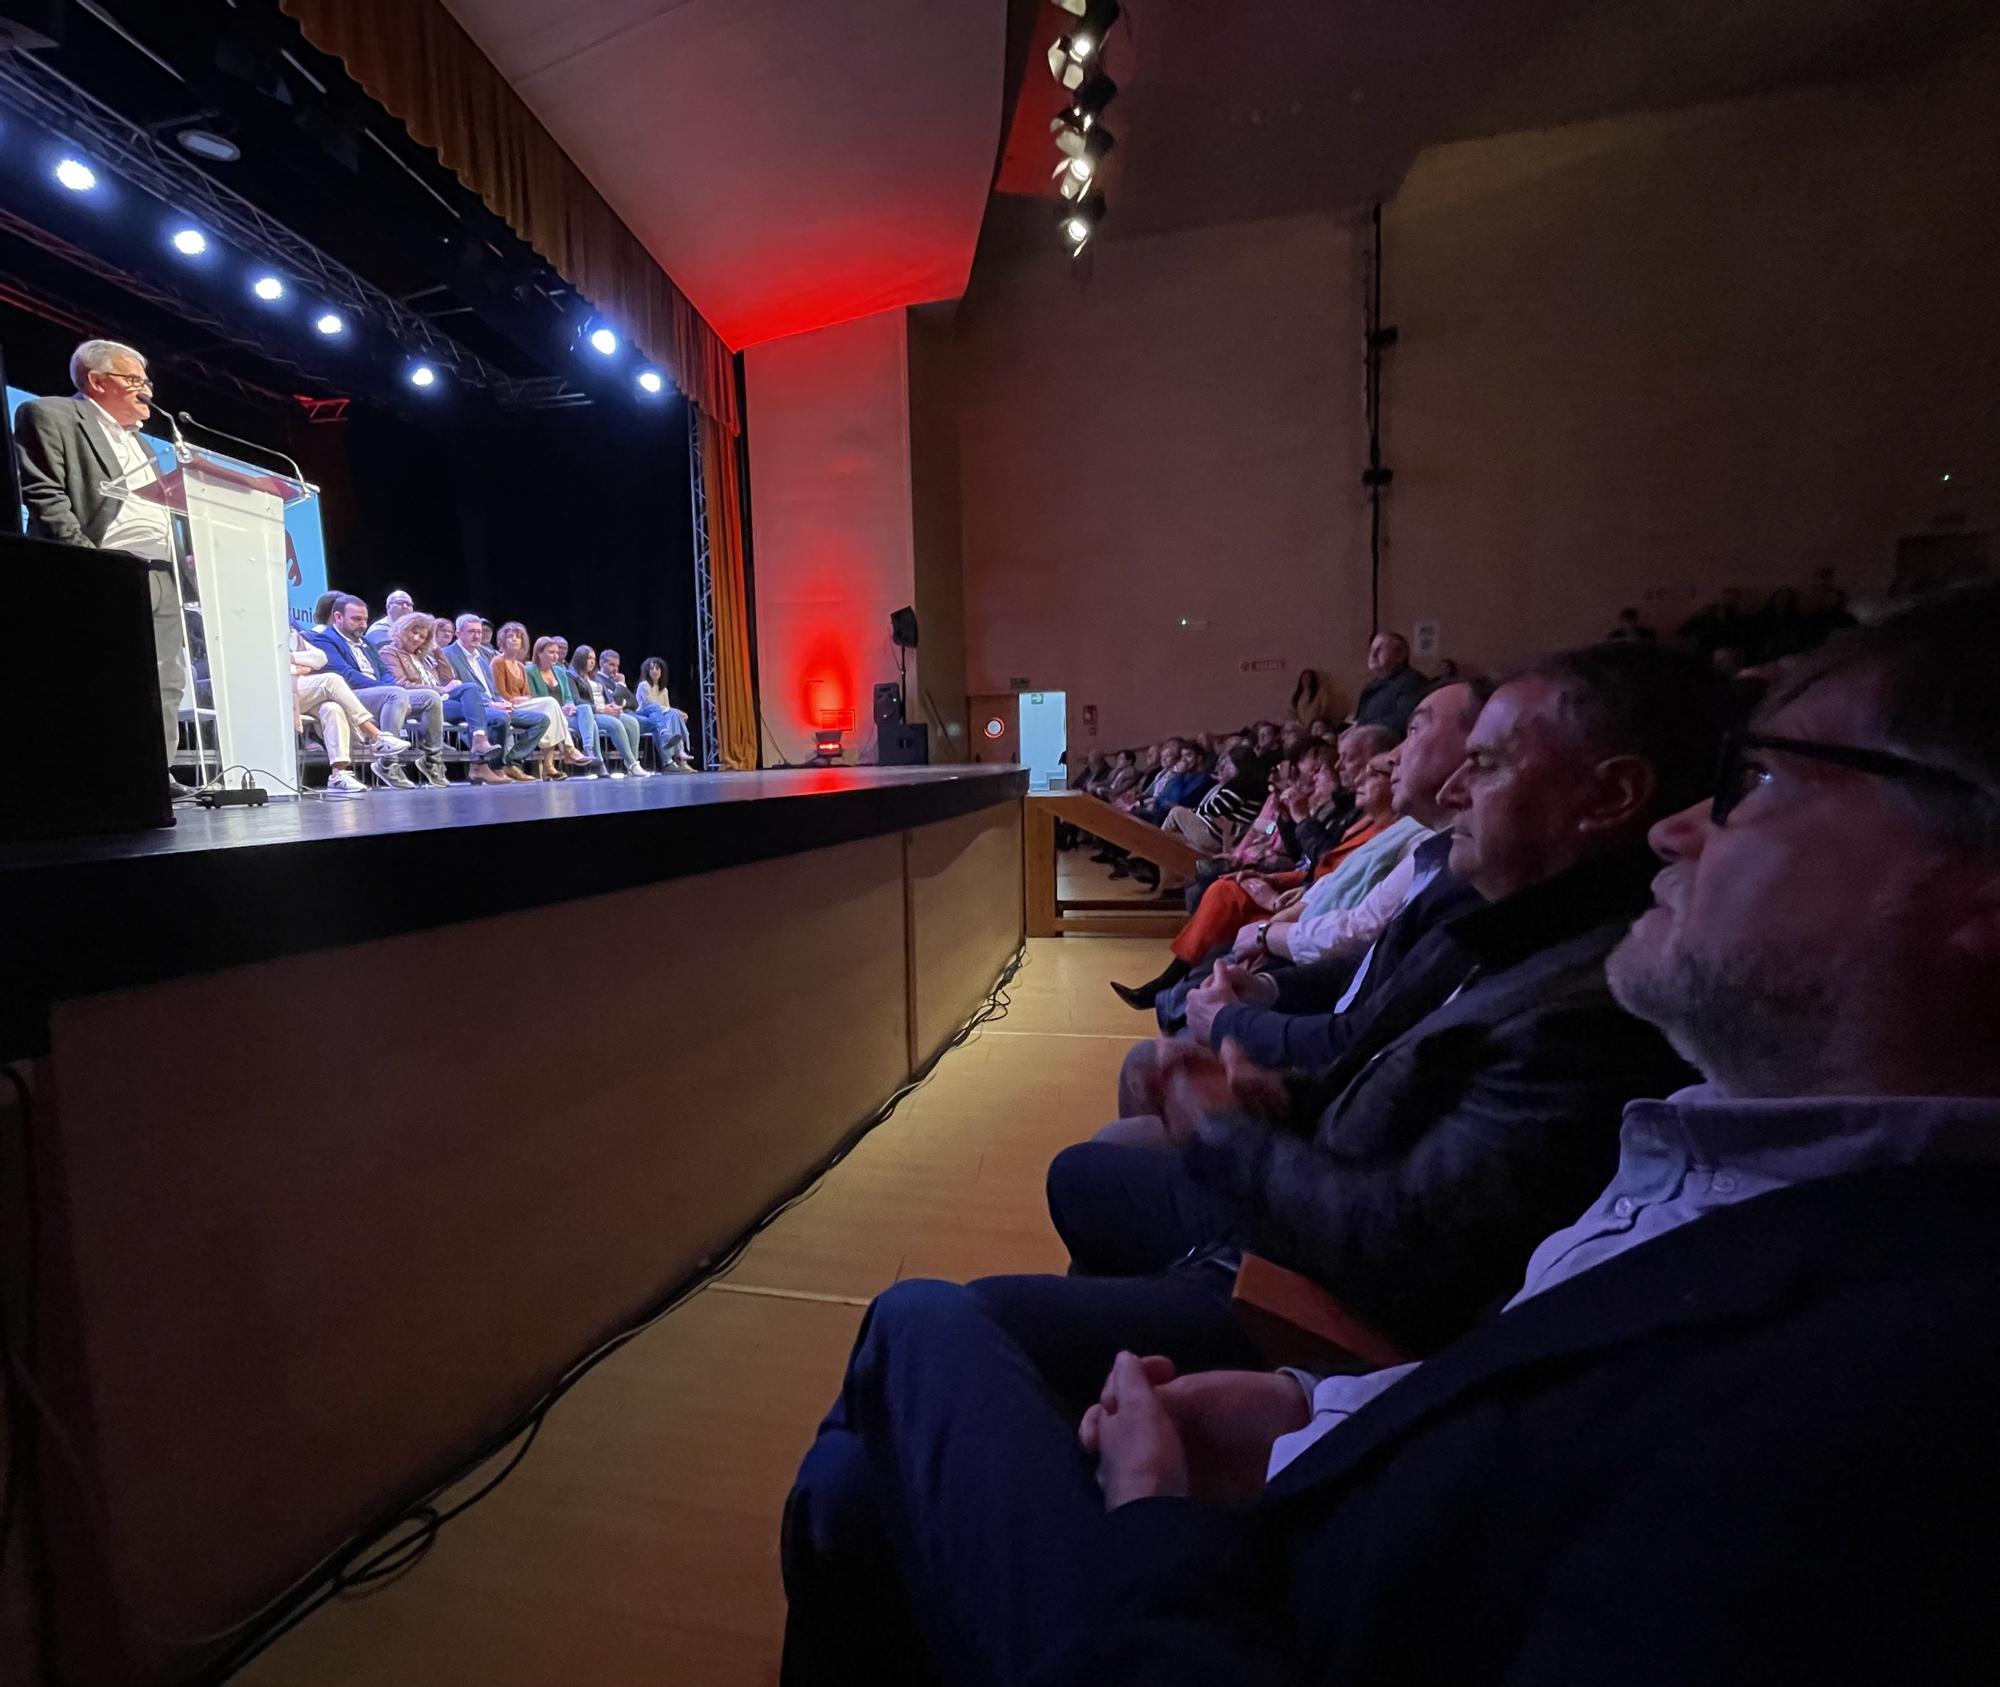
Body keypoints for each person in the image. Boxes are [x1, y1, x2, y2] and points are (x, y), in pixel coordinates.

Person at [781, 585, 2000, 1687]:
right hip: (1324, 1410)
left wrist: (1162, 1526)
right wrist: (1307, 1410)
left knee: (913, 1325)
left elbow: (1423, 1274)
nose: (1684, 835)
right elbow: (1515, 1367)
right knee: (856, 1473)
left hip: (1249, 1567)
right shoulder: (1732, 1150)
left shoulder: (1871, 1382)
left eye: (1761, 788)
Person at [15, 339, 191, 797]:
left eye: (147, 381)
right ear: (97, 381)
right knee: (103, 682)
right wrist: (84, 562)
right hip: (102, 569)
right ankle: (101, 779)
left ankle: (157, 772)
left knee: (165, 682)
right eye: (135, 380)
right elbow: (45, 495)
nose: (147, 391)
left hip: (159, 572)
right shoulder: (48, 414)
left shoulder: (146, 446)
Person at [305, 594, 432, 789]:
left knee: (430, 697)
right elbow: (346, 675)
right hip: (352, 693)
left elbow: (384, 672)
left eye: (365, 619)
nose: (363, 624)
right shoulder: (325, 640)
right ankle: (387, 759)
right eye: (356, 619)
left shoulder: (366, 643)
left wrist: (391, 687)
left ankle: (434, 762)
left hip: (377, 693)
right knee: (394, 694)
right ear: (338, 617)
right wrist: (389, 689)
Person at [380, 613, 513, 786]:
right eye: (412, 632)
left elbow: (447, 677)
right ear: (400, 630)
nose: (416, 638)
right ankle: (479, 755)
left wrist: (435, 650)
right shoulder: (389, 652)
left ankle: (479, 757)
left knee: (494, 714)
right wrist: (441, 689)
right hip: (421, 704)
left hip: (442, 701)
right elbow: (401, 685)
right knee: (471, 693)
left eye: (422, 636)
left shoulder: (422, 655)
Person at [290, 630, 408, 796]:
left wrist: (291, 659)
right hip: (285, 691)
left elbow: (320, 658)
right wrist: (296, 663)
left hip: (303, 690)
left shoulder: (292, 634)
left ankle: (338, 775)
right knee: (332, 680)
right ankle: (376, 736)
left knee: (333, 708)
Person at [448, 615, 563, 781]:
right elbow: (457, 689)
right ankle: (497, 767)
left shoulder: (480, 657)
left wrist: (500, 701)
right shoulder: (449, 655)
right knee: (501, 718)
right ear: (458, 633)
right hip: (469, 707)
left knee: (542, 720)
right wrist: (492, 704)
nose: (477, 636)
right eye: (472, 631)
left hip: (493, 704)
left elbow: (492, 689)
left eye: (479, 632)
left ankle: (512, 760)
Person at [490, 622, 587, 781]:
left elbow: (527, 694)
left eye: (518, 637)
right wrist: (516, 699)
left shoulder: (521, 666)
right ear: (502, 640)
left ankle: (549, 765)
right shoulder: (498, 662)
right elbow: (499, 693)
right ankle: (568, 749)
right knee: (550, 702)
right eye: (510, 637)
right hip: (507, 705)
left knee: (549, 715)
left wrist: (523, 698)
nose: (515, 640)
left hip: (522, 704)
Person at [526, 636, 610, 776]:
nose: (556, 656)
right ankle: (593, 760)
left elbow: (569, 697)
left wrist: (570, 706)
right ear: (540, 653)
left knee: (585, 708)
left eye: (556, 652)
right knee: (592, 725)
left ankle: (588, 750)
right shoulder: (531, 671)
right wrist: (560, 708)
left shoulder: (559, 671)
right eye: (551, 652)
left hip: (566, 715)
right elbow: (535, 699)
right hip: (546, 715)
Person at [570, 645, 652, 777]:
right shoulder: (571, 676)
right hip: (592, 713)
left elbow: (611, 698)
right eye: (589, 658)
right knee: (615, 724)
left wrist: (614, 706)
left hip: (607, 710)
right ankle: (632, 763)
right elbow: (576, 701)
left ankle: (632, 763)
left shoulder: (596, 677)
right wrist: (603, 709)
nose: (592, 661)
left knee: (632, 722)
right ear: (580, 658)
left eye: (593, 658)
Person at [619, 653, 696, 772]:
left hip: (659, 718)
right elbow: (650, 705)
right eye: (651, 668)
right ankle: (678, 752)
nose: (655, 671)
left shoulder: (664, 690)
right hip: (643, 714)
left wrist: (676, 713)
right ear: (647, 671)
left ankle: (679, 754)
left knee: (674, 716)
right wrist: (675, 711)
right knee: (669, 713)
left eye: (657, 668)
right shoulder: (644, 685)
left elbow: (667, 708)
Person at [1349, 632, 1428, 734]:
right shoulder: (1373, 684)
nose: (1373, 655)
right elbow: (1359, 720)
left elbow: (1403, 720)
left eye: (1380, 650)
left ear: (1400, 655)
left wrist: (1361, 729)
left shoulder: (1413, 682)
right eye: (1372, 650)